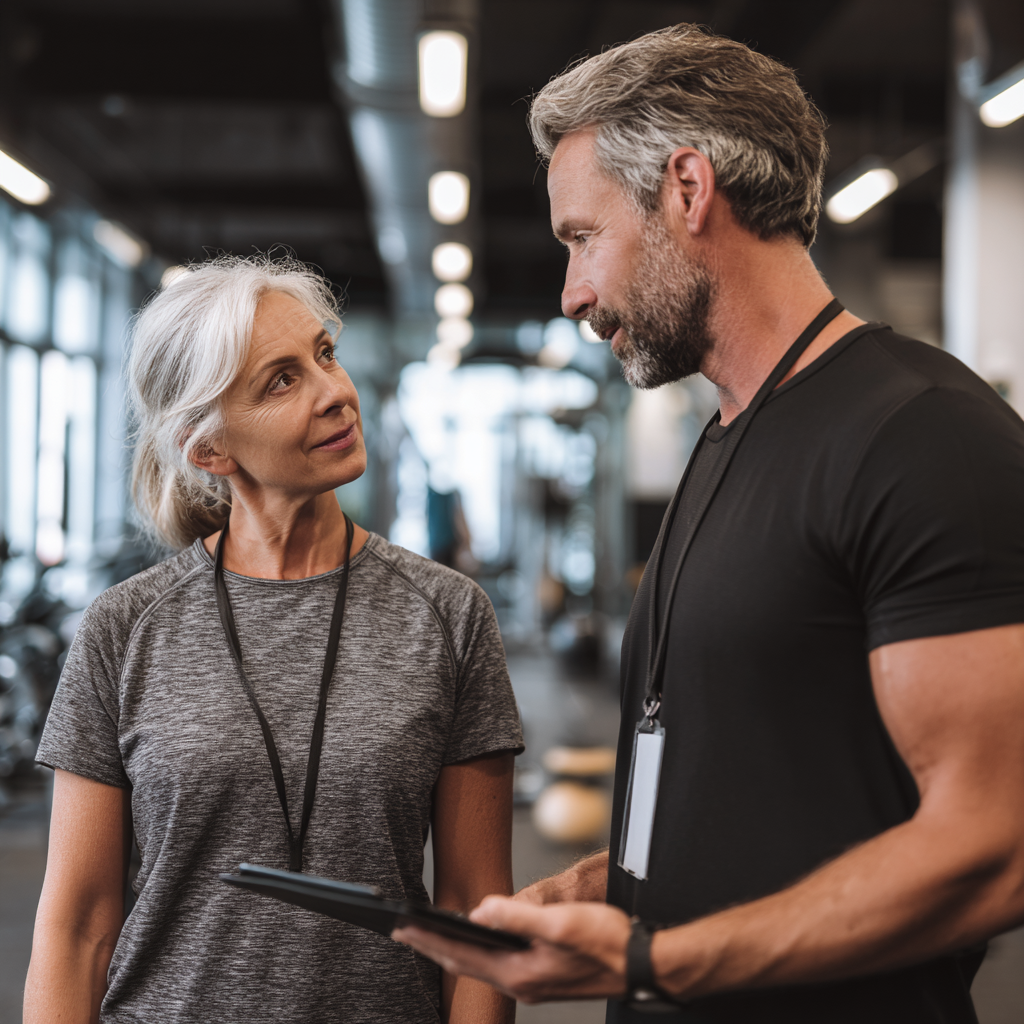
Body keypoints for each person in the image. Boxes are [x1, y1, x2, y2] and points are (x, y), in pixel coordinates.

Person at [394, 24, 1024, 1024]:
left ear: (687, 188)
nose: (572, 292)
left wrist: (661, 958)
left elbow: (996, 847)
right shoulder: (732, 433)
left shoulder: (923, 436)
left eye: (582, 237)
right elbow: (767, 794)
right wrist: (604, 889)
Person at [24, 256, 522, 1024]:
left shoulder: (448, 615)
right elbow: (78, 927)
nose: (335, 392)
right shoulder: (124, 629)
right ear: (209, 450)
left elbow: (474, 906)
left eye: (325, 354)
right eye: (282, 381)